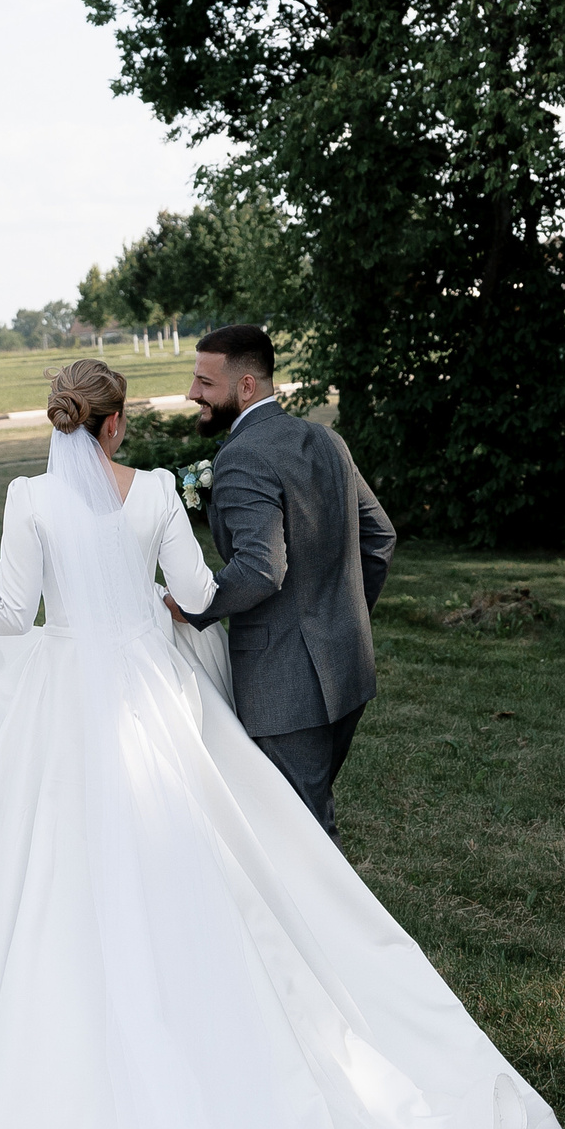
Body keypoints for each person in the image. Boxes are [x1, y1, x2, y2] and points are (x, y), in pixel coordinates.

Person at [0, 357, 563, 1129]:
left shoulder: (27, 499)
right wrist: (155, 600)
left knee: (65, 881)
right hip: (150, 702)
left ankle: (84, 1047)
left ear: (64, 424)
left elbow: (16, 614)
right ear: (114, 425)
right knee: (214, 860)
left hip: (71, 712)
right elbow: (196, 593)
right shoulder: (154, 491)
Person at [166, 323, 390, 838]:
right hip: (348, 666)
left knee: (301, 835)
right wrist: (345, 616)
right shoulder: (326, 439)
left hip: (284, 684)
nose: (192, 393)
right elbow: (380, 537)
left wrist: (193, 605)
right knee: (307, 818)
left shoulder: (242, 456)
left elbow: (261, 568)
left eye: (205, 382)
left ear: (246, 386)